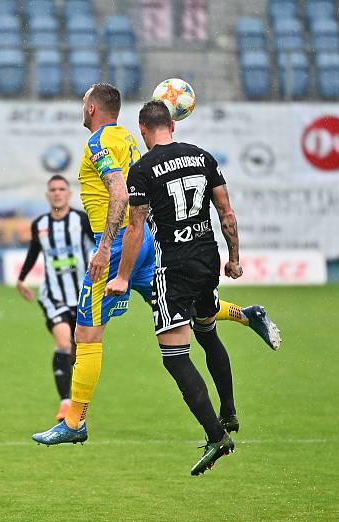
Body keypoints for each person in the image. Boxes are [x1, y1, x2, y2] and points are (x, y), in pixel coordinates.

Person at [32, 84, 279, 447]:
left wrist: (104, 250)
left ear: (91, 110)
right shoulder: (129, 138)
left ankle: (75, 421)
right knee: (179, 307)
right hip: (146, 242)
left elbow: (119, 193)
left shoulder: (98, 144)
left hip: (118, 246)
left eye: (84, 103)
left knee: (86, 332)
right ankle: (246, 314)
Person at [105, 101, 245, 475]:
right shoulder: (203, 158)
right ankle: (228, 409)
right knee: (207, 329)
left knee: (175, 357)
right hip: (207, 260)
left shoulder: (142, 170)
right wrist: (234, 258)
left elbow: (136, 228)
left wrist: (121, 276)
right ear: (173, 125)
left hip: (174, 267)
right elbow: (226, 213)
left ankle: (217, 436)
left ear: (143, 129)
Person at [16, 175, 93, 421]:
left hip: (82, 295)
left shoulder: (81, 220)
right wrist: (21, 278)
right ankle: (65, 403)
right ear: (48, 195)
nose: (57, 193)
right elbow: (34, 251)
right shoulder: (39, 224)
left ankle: (76, 397)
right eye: (53, 190)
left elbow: (101, 245)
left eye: (62, 189)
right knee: (62, 342)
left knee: (77, 350)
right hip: (54, 296)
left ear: (69, 194)